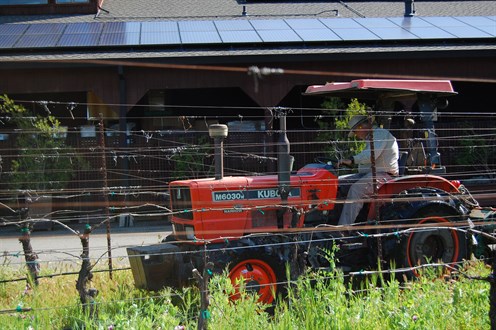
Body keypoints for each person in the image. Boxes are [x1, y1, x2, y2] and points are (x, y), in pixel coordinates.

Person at [337, 115, 399, 226]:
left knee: (355, 189)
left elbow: (371, 155)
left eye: (356, 132)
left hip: (385, 176)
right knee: (337, 182)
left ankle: (342, 230)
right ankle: (330, 221)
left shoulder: (380, 134)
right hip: (370, 174)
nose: (356, 135)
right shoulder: (371, 138)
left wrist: (352, 160)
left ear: (361, 127)